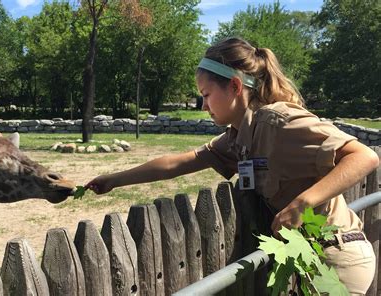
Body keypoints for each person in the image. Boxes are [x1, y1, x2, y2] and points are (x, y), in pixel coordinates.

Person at [86, 37, 379, 294]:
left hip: (338, 259)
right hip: (313, 262)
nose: (203, 106)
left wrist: (303, 203)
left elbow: (363, 156)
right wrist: (113, 179)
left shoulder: (278, 122)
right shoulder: (237, 137)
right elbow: (178, 161)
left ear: (235, 86)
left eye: (206, 95)